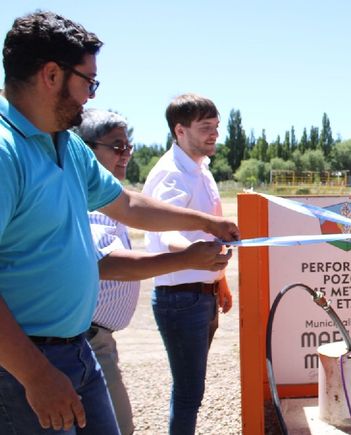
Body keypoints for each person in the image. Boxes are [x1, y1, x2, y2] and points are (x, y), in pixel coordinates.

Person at [0, 12, 238, 434]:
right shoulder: (6, 152)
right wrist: (35, 375)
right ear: (51, 74)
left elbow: (127, 204)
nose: (90, 96)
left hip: (76, 349)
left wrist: (207, 222)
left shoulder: (67, 143)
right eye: (88, 82)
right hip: (23, 364)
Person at [75, 109, 233, 435]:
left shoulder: (109, 193)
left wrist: (208, 238)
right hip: (85, 336)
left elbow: (139, 209)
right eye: (117, 148)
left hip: (97, 336)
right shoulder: (92, 198)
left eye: (128, 147)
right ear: (85, 149)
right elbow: (108, 264)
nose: (126, 156)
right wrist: (188, 257)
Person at [142, 93, 234, 435]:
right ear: (179, 131)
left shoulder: (201, 169)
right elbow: (165, 233)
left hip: (200, 293)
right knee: (188, 393)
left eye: (216, 127)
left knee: (191, 391)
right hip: (180, 297)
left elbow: (204, 230)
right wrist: (196, 252)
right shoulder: (170, 173)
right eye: (205, 127)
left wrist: (220, 281)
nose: (214, 134)